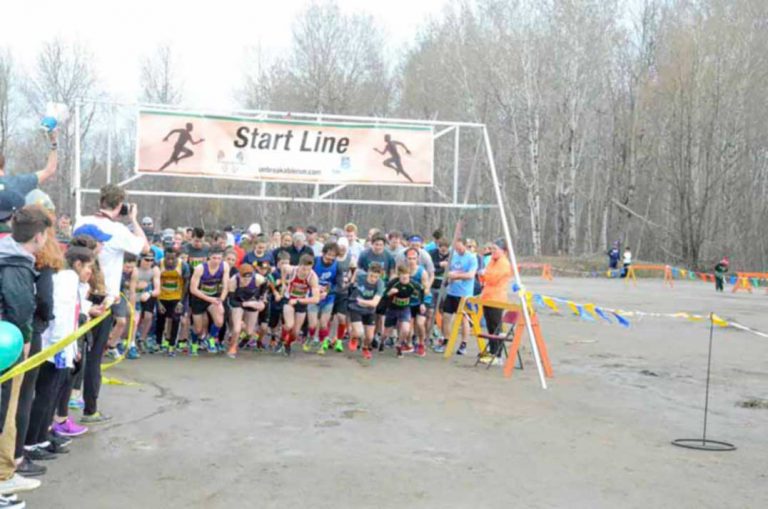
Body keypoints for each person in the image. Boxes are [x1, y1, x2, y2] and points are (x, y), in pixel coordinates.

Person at [73, 184, 148, 423]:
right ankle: (90, 409)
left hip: (77, 293)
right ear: (119, 205)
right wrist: (134, 220)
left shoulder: (80, 220)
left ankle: (66, 406)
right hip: (102, 296)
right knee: (94, 356)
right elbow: (144, 247)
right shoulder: (117, 230)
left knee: (72, 352)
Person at [23, 247, 93, 470]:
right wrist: (62, 347)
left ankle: (42, 435)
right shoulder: (67, 279)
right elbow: (60, 315)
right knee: (45, 394)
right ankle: (31, 441)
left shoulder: (74, 281)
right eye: (89, 266)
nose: (91, 272)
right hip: (54, 346)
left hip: (63, 346)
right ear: (78, 264)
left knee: (52, 394)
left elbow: (74, 312)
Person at [0, 205, 53, 498]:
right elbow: (20, 311)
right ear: (39, 236)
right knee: (5, 411)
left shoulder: (9, 257)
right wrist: (27, 338)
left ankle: (6, 471)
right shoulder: (16, 264)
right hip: (7, 350)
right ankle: (3, 476)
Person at [14, 208, 63, 477]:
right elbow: (38, 302)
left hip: (22, 332)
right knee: (21, 398)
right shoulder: (27, 262)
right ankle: (17, 456)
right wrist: (42, 322)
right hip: (24, 335)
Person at [436, 237, 478, 355]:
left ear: (465, 245)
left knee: (464, 320)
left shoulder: (471, 257)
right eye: (456, 248)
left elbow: (470, 275)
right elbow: (448, 270)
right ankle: (446, 341)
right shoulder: (453, 256)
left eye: (459, 248)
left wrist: (456, 276)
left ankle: (464, 344)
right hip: (451, 292)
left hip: (464, 294)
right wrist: (448, 275)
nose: (458, 250)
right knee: (446, 317)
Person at [478, 239, 514, 365]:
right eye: (492, 249)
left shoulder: (504, 263)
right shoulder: (492, 261)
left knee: (495, 326)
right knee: (490, 326)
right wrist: (484, 274)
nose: (492, 251)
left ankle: (497, 355)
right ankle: (492, 351)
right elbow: (486, 276)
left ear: (503, 251)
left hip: (497, 298)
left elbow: (493, 278)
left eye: (495, 249)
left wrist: (484, 273)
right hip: (487, 296)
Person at [188, 247, 229, 355]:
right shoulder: (200, 268)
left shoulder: (224, 266)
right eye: (214, 258)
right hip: (199, 298)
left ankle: (210, 339)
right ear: (208, 258)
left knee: (220, 321)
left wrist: (220, 301)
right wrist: (209, 299)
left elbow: (226, 287)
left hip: (214, 297)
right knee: (198, 329)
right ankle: (194, 343)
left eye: (219, 258)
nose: (216, 261)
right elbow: (193, 289)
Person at [307, 243, 343, 354]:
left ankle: (322, 345)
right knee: (312, 324)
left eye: (333, 256)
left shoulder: (337, 266)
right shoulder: (315, 261)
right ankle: (311, 337)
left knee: (323, 323)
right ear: (323, 253)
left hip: (328, 297)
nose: (330, 258)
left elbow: (339, 285)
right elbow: (305, 277)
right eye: (328, 255)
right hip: (313, 296)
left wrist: (327, 292)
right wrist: (315, 288)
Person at [281, 254, 320, 355]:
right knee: (289, 324)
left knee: (296, 332)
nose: (305, 272)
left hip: (301, 301)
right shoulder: (292, 270)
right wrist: (283, 283)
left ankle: (287, 344)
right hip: (289, 299)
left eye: (308, 269)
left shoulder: (312, 277)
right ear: (299, 265)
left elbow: (316, 299)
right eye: (303, 269)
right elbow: (283, 267)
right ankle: (281, 339)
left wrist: (298, 301)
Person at [226, 264, 266, 358]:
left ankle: (245, 328)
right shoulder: (234, 280)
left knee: (248, 331)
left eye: (249, 278)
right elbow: (231, 301)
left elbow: (265, 285)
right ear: (240, 275)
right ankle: (232, 347)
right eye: (244, 278)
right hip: (238, 303)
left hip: (252, 301)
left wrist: (261, 299)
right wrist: (246, 304)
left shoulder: (258, 278)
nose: (246, 281)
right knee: (236, 328)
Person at [382, 265, 423, 357]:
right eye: (403, 276)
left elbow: (422, 291)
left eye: (407, 276)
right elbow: (383, 296)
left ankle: (399, 345)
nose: (405, 278)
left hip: (405, 308)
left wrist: (422, 303)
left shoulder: (413, 284)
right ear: (399, 275)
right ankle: (382, 342)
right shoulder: (393, 283)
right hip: (392, 308)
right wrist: (390, 293)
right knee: (386, 332)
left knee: (406, 329)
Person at [156, 247, 189, 357]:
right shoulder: (158, 264)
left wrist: (181, 302)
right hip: (161, 296)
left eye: (173, 259)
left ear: (177, 257)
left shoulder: (183, 266)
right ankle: (159, 343)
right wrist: (158, 302)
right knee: (160, 319)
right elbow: (154, 283)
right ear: (164, 256)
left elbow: (186, 283)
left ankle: (172, 345)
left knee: (176, 319)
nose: (170, 261)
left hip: (176, 297)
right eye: (168, 259)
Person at [348, 263, 385, 360]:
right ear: (368, 272)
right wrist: (351, 283)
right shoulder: (361, 276)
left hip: (369, 310)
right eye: (371, 276)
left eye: (376, 277)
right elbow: (355, 269)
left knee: (369, 337)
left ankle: (365, 348)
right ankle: (353, 337)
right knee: (359, 332)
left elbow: (374, 303)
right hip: (355, 307)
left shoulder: (380, 284)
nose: (373, 279)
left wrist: (363, 301)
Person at [132, 252, 161, 357]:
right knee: (135, 319)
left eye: (151, 260)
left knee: (148, 316)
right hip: (134, 293)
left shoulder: (155, 269)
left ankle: (142, 339)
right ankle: (131, 340)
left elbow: (157, 289)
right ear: (140, 259)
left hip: (147, 293)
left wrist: (149, 293)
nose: (149, 262)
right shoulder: (135, 268)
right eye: (146, 260)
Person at [405, 248, 430, 357]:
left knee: (420, 323)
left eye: (414, 258)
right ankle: (409, 344)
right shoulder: (404, 271)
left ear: (417, 259)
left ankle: (421, 343)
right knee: (408, 326)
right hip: (409, 302)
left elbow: (426, 289)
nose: (411, 261)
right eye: (409, 258)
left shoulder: (422, 272)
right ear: (406, 259)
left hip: (421, 301)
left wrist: (423, 303)